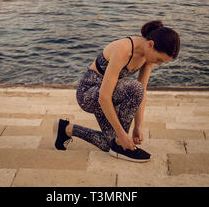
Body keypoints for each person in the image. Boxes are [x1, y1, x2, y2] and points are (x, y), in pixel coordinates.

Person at [53, 20, 180, 163]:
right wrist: (123, 135)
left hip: (112, 93)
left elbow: (143, 92)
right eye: (159, 59)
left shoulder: (148, 57)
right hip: (89, 93)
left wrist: (138, 126)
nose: (159, 64)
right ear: (150, 44)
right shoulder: (124, 50)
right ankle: (120, 143)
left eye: (163, 62)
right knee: (134, 88)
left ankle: (66, 129)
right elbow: (104, 97)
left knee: (109, 144)